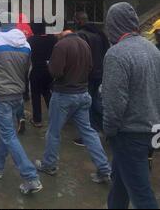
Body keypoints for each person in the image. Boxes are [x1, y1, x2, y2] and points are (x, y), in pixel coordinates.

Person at [102, 2, 160, 210]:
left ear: (114, 25)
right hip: (152, 130)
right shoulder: (152, 49)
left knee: (141, 194)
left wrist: (109, 131)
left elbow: (114, 103)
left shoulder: (117, 54)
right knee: (120, 182)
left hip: (130, 133)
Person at [35, 31, 111, 184]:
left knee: (54, 132)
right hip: (83, 94)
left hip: (64, 94)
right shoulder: (85, 44)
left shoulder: (61, 45)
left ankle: (49, 165)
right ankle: (104, 169)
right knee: (89, 132)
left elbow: (56, 72)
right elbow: (90, 67)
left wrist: (50, 65)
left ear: (62, 36)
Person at [0, 12, 42, 195]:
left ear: (1, 24)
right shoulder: (26, 44)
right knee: (5, 132)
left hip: (1, 95)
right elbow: (26, 69)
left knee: (8, 135)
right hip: (18, 94)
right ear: (15, 24)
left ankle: (31, 177)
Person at [74, 11, 110, 145]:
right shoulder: (99, 33)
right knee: (95, 101)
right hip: (99, 73)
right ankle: (106, 128)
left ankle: (87, 136)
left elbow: (80, 57)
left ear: (78, 21)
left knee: (86, 105)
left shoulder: (81, 35)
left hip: (88, 75)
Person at [28, 22, 58, 128]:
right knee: (48, 93)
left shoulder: (31, 40)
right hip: (49, 70)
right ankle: (54, 118)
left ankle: (37, 120)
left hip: (36, 69)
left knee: (35, 95)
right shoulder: (53, 39)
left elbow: (28, 55)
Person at [17, 14, 33, 101]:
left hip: (17, 53)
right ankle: (26, 94)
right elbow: (31, 37)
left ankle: (18, 93)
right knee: (26, 74)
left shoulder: (16, 27)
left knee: (17, 73)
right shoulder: (28, 27)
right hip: (26, 52)